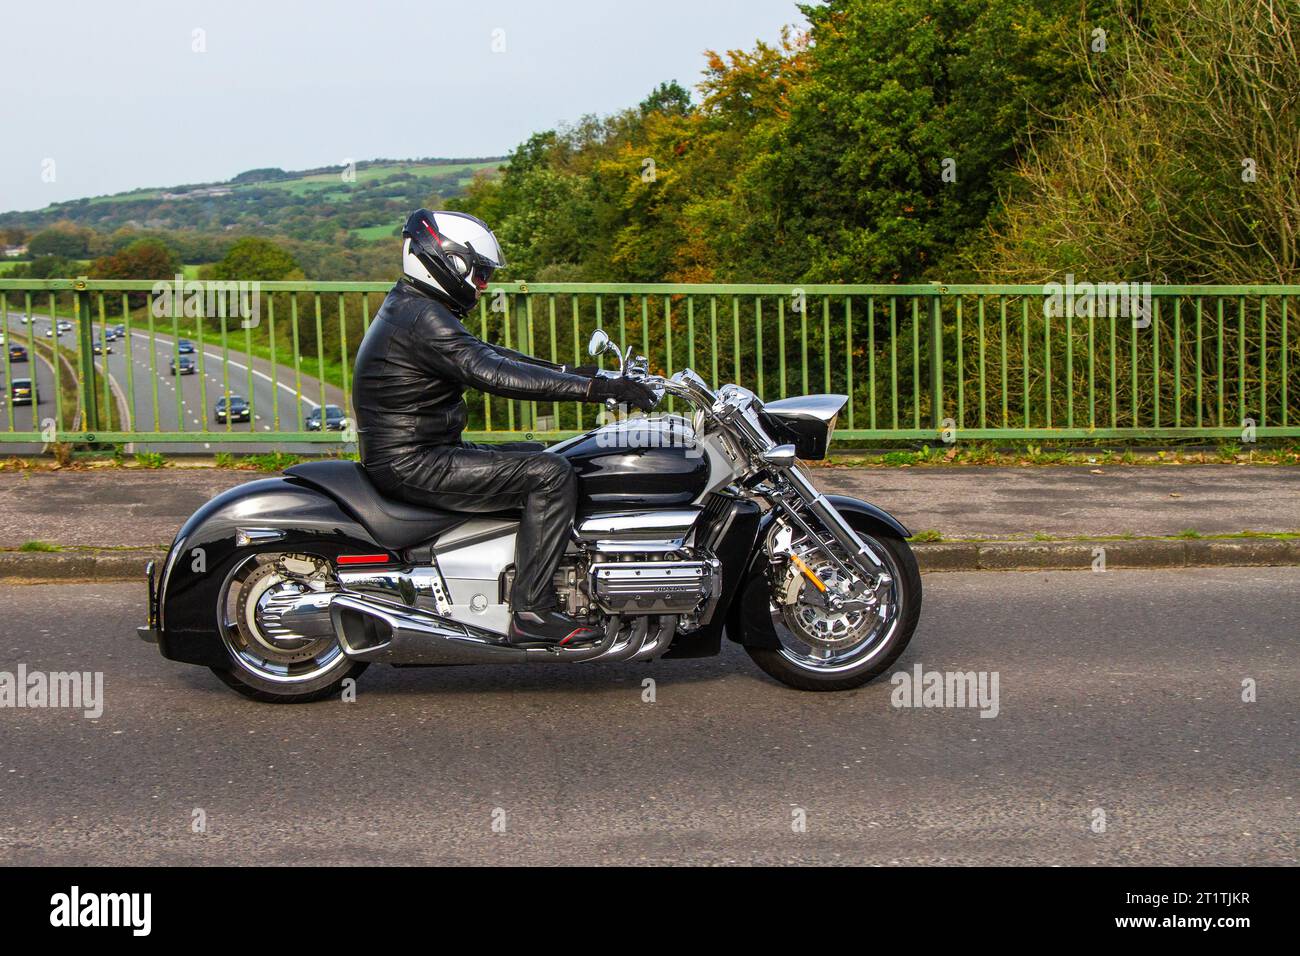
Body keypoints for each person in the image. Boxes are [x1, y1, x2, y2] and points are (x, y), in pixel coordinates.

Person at [352, 209, 657, 645]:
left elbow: (493, 354)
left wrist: (579, 371)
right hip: (414, 463)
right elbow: (493, 374)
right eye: (479, 273)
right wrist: (593, 388)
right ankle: (531, 610)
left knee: (551, 456)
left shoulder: (415, 307)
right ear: (448, 262)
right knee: (551, 476)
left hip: (420, 452)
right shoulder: (425, 318)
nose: (483, 285)